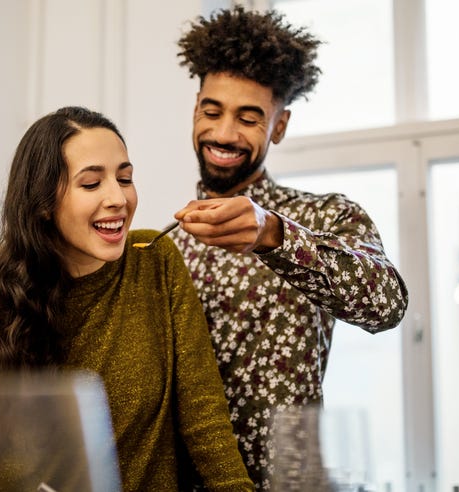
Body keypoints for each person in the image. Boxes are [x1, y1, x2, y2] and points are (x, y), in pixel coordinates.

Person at [0, 106, 253, 491]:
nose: (118, 198)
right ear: (43, 203)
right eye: (92, 184)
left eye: (124, 178)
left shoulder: (156, 260)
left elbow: (206, 424)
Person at [171, 6, 410, 489]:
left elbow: (387, 305)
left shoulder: (325, 218)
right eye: (212, 111)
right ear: (196, 108)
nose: (223, 133)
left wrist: (274, 234)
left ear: (278, 127)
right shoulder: (166, 247)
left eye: (249, 118)